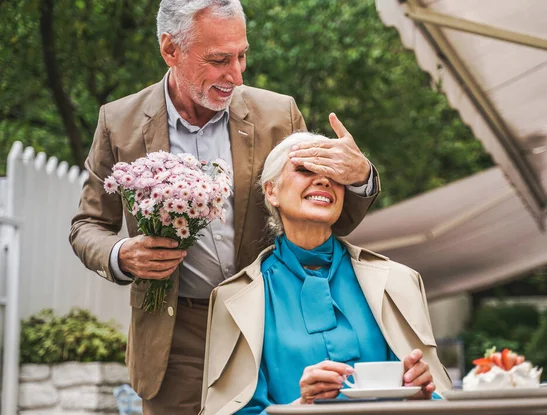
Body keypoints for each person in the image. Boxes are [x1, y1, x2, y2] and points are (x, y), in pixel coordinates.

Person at [69, 1, 379, 414]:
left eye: (242, 55)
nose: (236, 75)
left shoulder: (278, 115)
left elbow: (327, 216)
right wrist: (122, 255)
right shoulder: (118, 122)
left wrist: (360, 177)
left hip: (272, 322)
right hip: (175, 336)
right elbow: (87, 225)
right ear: (170, 50)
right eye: (219, 60)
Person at [201, 132, 452, 415]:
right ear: (271, 191)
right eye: (304, 169)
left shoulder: (398, 282)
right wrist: (300, 408)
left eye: (334, 173)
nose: (323, 180)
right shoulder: (233, 299)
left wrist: (421, 398)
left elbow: (438, 400)